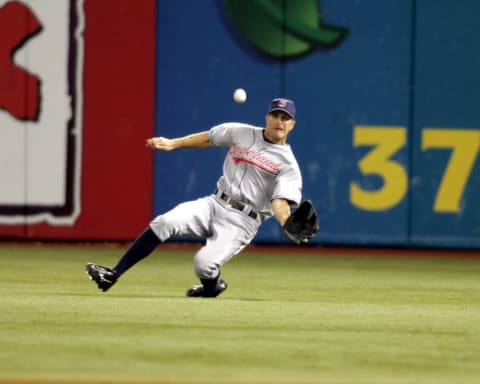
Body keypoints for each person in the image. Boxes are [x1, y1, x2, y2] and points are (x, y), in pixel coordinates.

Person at [86, 98, 304, 298]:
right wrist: (173, 143)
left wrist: (286, 220)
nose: (279, 121)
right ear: (267, 117)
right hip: (214, 203)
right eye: (275, 115)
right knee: (165, 222)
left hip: (243, 221)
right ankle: (112, 274)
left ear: (292, 124)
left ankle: (212, 287)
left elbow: (280, 201)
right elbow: (209, 138)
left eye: (285, 118)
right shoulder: (242, 132)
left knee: (203, 264)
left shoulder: (288, 164)